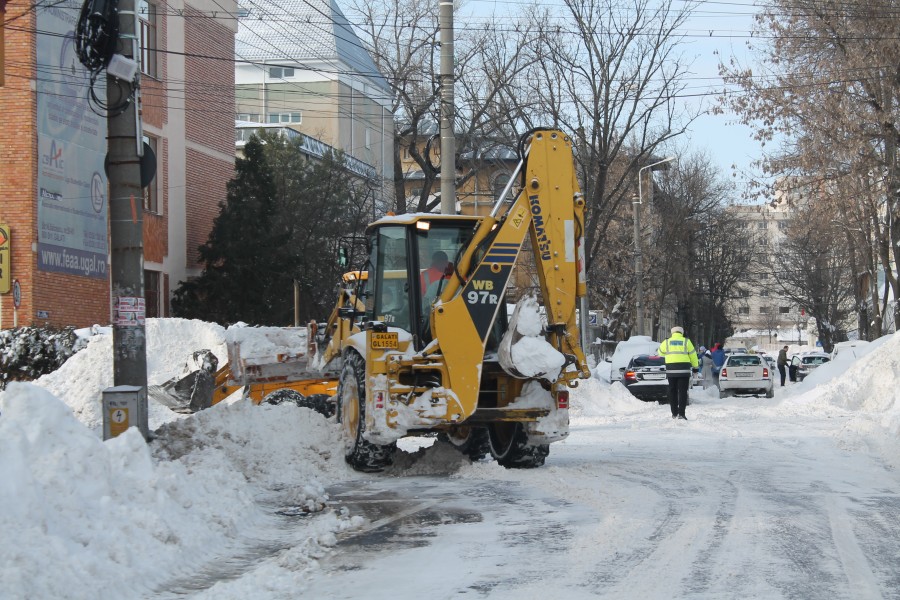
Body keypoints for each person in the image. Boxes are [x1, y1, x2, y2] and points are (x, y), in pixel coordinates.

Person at [658, 326, 699, 420]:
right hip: (684, 370)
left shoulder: (667, 342)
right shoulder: (686, 341)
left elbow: (660, 353)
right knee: (683, 392)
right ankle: (682, 414)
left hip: (671, 370)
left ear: (672, 333)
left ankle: (674, 413)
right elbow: (693, 355)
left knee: (672, 391)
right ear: (682, 333)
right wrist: (696, 368)